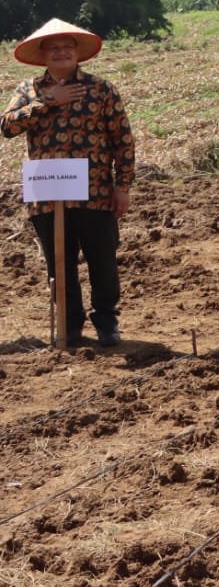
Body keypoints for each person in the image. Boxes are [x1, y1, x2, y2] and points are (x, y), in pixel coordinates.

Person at [2, 19, 135, 347]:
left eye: (67, 47)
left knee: (102, 258)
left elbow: (123, 139)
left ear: (77, 53)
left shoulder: (101, 89)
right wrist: (50, 101)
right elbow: (6, 127)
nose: (61, 52)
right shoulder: (28, 91)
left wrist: (124, 186)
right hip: (46, 192)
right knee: (58, 262)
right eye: (53, 47)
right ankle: (69, 325)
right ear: (44, 54)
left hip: (96, 191)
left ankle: (106, 322)